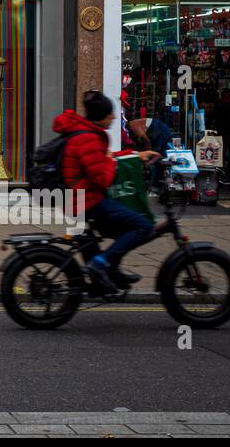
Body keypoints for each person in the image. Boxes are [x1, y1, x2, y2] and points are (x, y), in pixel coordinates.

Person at [56, 90, 159, 294]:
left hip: (84, 199)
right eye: (110, 114)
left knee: (123, 230)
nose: (113, 117)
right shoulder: (88, 138)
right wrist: (111, 163)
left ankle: (111, 269)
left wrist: (137, 155)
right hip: (87, 201)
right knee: (142, 226)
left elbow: (106, 157)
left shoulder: (89, 134)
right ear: (101, 117)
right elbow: (102, 178)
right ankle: (100, 264)